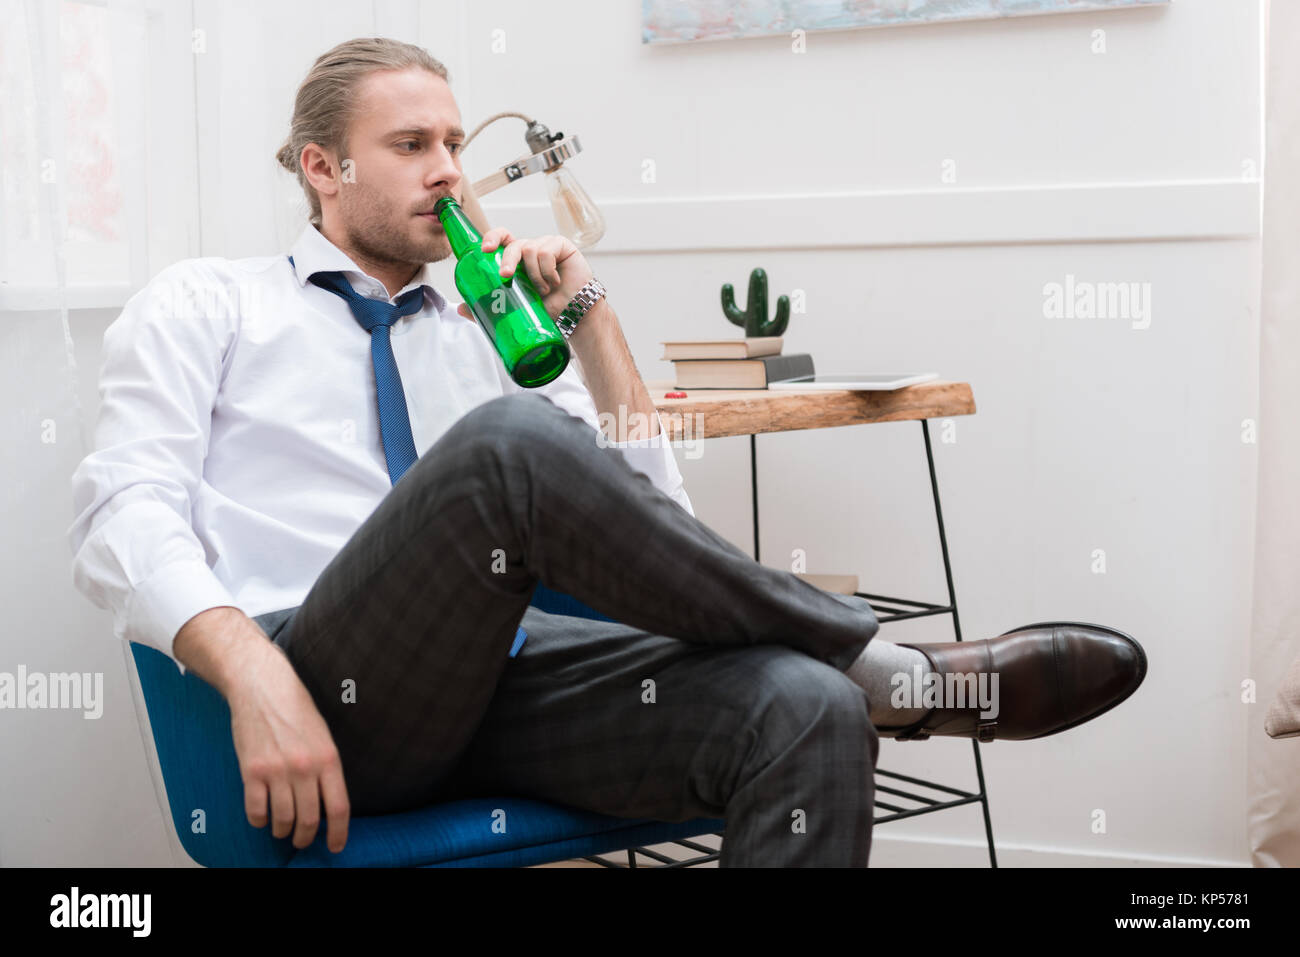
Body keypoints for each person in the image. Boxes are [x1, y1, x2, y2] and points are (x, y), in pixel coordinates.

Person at [67, 37, 1146, 868]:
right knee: (506, 446)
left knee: (803, 711)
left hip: (508, 678)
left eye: (454, 145)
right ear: (322, 167)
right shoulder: (207, 302)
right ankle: (884, 668)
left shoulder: (492, 325)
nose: (451, 173)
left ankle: (846, 681)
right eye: (412, 148)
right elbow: (122, 512)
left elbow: (645, 520)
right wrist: (250, 669)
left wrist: (588, 316)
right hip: (331, 688)